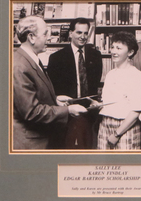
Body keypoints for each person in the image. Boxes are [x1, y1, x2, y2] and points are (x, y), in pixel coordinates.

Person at [13, 16, 87, 150]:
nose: (49, 37)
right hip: (32, 143)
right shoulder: (20, 66)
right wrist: (67, 110)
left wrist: (55, 99)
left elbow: (33, 94)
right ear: (31, 37)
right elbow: (31, 111)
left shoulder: (31, 59)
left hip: (40, 138)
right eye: (45, 34)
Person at [47, 17, 103, 149]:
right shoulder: (56, 58)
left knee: (87, 151)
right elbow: (52, 89)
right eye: (79, 32)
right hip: (66, 115)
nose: (83, 37)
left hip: (89, 114)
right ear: (71, 33)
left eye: (85, 33)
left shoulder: (96, 56)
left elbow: (94, 85)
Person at [96, 31, 141, 150]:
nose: (113, 51)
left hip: (126, 127)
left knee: (126, 164)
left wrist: (116, 134)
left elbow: (136, 111)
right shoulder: (110, 74)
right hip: (105, 124)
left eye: (119, 48)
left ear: (130, 52)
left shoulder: (136, 75)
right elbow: (109, 102)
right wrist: (98, 105)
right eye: (112, 47)